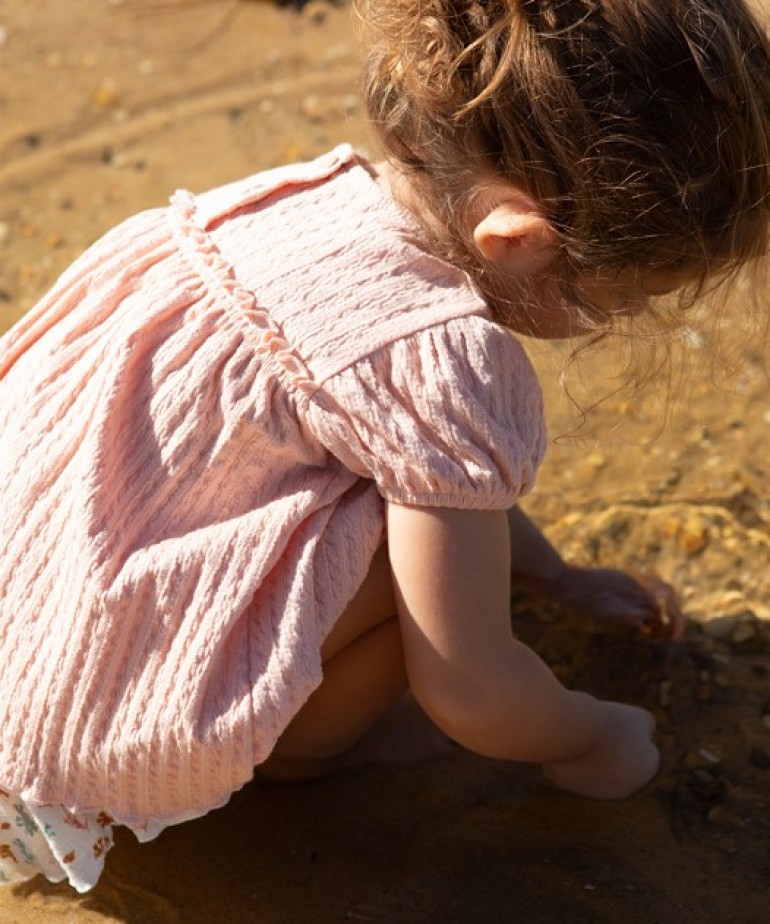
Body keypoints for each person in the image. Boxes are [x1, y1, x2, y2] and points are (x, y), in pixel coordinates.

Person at [1, 0, 769, 894]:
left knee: (408, 502)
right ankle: (297, 759)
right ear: (516, 241)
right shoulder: (448, 359)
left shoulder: (284, 208)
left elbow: (416, 460)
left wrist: (554, 578)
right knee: (414, 573)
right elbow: (470, 689)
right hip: (91, 735)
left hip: (25, 609)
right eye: (619, 299)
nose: (621, 323)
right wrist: (592, 733)